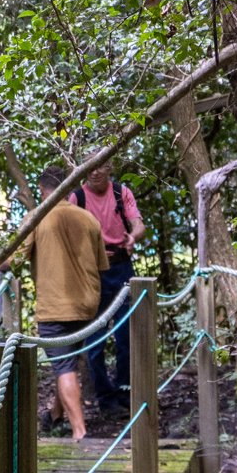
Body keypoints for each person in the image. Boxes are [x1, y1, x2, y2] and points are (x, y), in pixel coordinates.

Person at [30, 162, 106, 441]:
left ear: (42, 190)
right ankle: (55, 415)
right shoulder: (88, 218)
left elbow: (11, 259)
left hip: (54, 309)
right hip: (87, 305)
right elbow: (101, 264)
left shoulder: (38, 217)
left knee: (64, 367)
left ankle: (79, 431)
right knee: (69, 362)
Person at [72, 160, 144, 405]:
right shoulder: (77, 197)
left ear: (110, 168)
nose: (95, 171)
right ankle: (104, 396)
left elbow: (138, 223)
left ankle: (125, 392)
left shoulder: (121, 192)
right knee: (95, 337)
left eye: (101, 166)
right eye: (90, 166)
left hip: (122, 266)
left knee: (126, 334)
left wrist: (132, 237)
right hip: (93, 272)